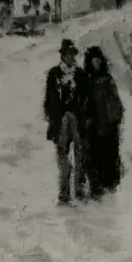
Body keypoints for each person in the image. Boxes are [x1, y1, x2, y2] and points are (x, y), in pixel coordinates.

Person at [44, 39, 89, 205]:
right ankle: (64, 189)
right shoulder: (54, 73)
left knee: (80, 151)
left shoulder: (81, 74)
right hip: (61, 118)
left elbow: (86, 97)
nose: (72, 57)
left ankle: (78, 188)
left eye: (74, 54)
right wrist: (52, 116)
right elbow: (49, 100)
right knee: (62, 152)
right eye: (69, 54)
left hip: (77, 117)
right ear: (62, 56)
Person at [82, 46, 125, 198]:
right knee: (94, 156)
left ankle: (110, 184)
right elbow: (84, 103)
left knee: (110, 155)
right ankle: (97, 187)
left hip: (109, 126)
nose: (97, 63)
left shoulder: (107, 79)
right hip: (94, 126)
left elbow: (115, 101)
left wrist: (116, 117)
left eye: (99, 59)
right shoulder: (87, 80)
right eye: (94, 60)